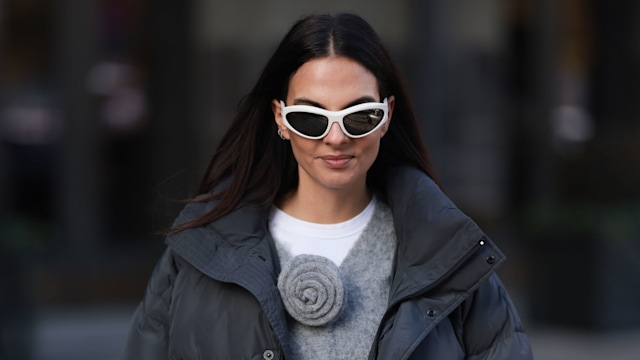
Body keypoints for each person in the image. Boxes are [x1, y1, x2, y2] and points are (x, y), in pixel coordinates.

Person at [122, 12, 533, 360]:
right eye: (311, 118)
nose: (336, 138)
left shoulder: (450, 257)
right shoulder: (196, 257)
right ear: (280, 118)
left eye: (359, 116)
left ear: (387, 115)